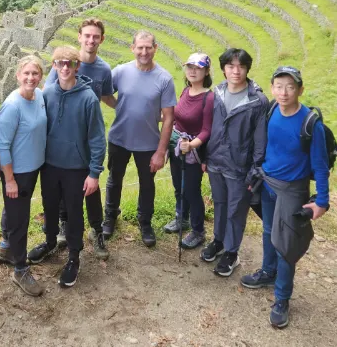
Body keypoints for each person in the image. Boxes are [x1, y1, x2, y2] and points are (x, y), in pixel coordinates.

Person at [241, 66, 330, 329]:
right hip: (268, 183)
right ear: (272, 88)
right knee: (268, 231)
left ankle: (282, 297)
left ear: (300, 90)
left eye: (290, 87)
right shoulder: (271, 111)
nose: (284, 92)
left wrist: (322, 202)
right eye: (279, 86)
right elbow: (267, 146)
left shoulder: (311, 124)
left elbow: (321, 165)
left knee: (286, 245)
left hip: (292, 188)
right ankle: (268, 273)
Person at [28, 46, 106, 286]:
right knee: (50, 206)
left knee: (73, 212)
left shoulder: (88, 98)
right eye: (60, 63)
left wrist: (94, 173)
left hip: (76, 167)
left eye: (69, 64)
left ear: (77, 66)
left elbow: (97, 138)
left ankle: (74, 256)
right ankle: (50, 241)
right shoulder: (47, 94)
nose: (64, 68)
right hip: (50, 165)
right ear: (54, 66)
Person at [44, 18, 113, 260]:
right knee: (64, 193)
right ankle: (64, 226)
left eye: (96, 36)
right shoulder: (63, 64)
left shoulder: (103, 70)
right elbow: (48, 101)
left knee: (90, 193)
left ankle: (96, 230)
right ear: (80, 37)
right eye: (87, 36)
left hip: (86, 140)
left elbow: (106, 97)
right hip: (63, 143)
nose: (91, 40)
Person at [103, 30, 177, 248]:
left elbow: (169, 117)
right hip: (119, 138)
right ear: (132, 48)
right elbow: (105, 94)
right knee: (114, 180)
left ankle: (145, 222)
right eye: (140, 47)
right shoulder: (120, 72)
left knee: (147, 184)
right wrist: (119, 106)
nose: (144, 52)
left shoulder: (164, 79)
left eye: (148, 47)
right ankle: (110, 217)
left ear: (155, 48)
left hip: (148, 143)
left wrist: (161, 152)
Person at [202, 48, 268, 277]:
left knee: (236, 210)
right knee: (219, 203)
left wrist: (255, 168)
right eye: (231, 66)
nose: (236, 71)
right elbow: (210, 127)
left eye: (240, 66)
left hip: (240, 165)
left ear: (248, 68)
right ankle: (218, 241)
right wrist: (204, 156)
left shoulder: (257, 101)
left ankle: (232, 252)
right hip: (216, 161)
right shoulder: (217, 92)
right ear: (223, 69)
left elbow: (260, 140)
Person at [0, 55, 48, 296]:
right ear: (18, 75)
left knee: (14, 210)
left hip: (34, 167)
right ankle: (20, 268)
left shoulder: (39, 96)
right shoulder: (12, 105)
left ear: (41, 77)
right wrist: (9, 179)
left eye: (35, 74)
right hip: (17, 171)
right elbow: (2, 145)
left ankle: (6, 248)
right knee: (20, 219)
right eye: (26, 73)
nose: (31, 78)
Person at [165, 53, 214, 250]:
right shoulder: (185, 91)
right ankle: (181, 218)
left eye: (198, 67)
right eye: (190, 67)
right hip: (177, 146)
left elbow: (207, 129)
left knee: (192, 191)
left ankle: (198, 231)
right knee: (179, 186)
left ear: (206, 71)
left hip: (193, 152)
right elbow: (177, 118)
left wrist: (192, 145)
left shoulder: (208, 98)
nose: (193, 71)